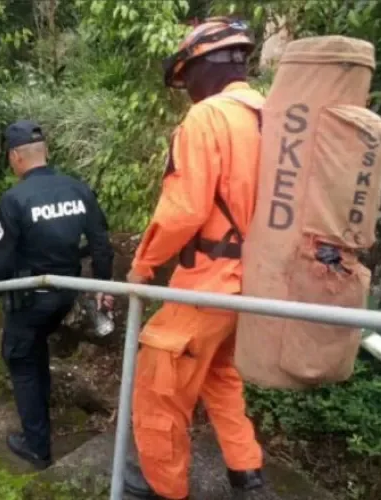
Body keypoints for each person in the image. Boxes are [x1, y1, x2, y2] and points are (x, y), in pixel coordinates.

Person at [122, 17, 267, 499]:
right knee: (221, 378)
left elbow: (183, 209)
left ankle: (161, 489)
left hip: (206, 283)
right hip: (252, 285)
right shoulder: (272, 114)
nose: (187, 91)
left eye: (186, 79)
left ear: (205, 67)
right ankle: (248, 476)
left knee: (159, 393)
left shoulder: (209, 118)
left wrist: (142, 267)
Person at [0, 120, 114, 469]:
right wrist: (104, 287)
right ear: (44, 152)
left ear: (16, 157)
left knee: (21, 359)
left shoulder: (15, 200)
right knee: (35, 351)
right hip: (67, 295)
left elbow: (3, 257)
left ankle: (36, 446)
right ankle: (40, 428)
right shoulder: (78, 189)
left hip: (30, 299)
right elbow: (102, 246)